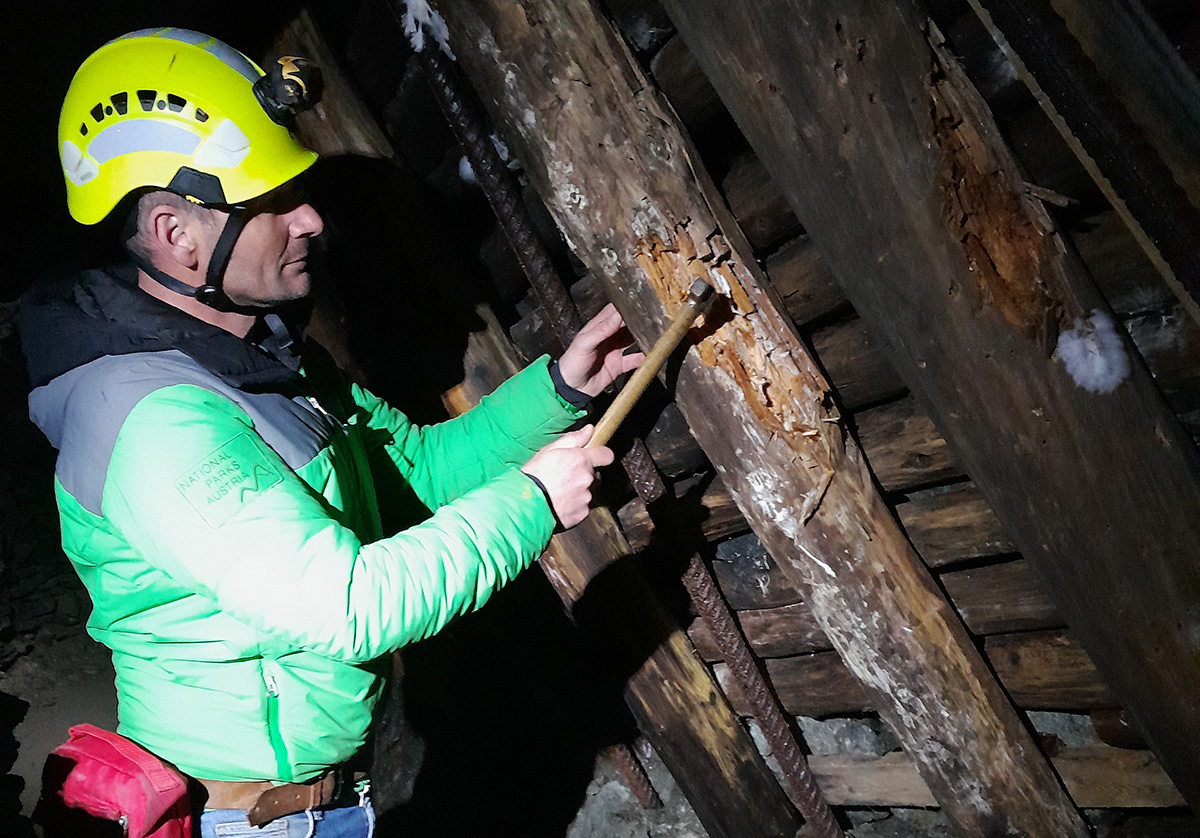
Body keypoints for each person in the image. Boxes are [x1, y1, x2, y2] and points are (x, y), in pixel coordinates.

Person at [18, 28, 642, 837]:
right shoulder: (151, 416)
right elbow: (346, 605)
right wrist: (531, 502)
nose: (309, 217)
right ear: (178, 235)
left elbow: (414, 468)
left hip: (319, 800)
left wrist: (558, 390)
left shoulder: (265, 359)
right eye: (272, 203)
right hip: (242, 821)